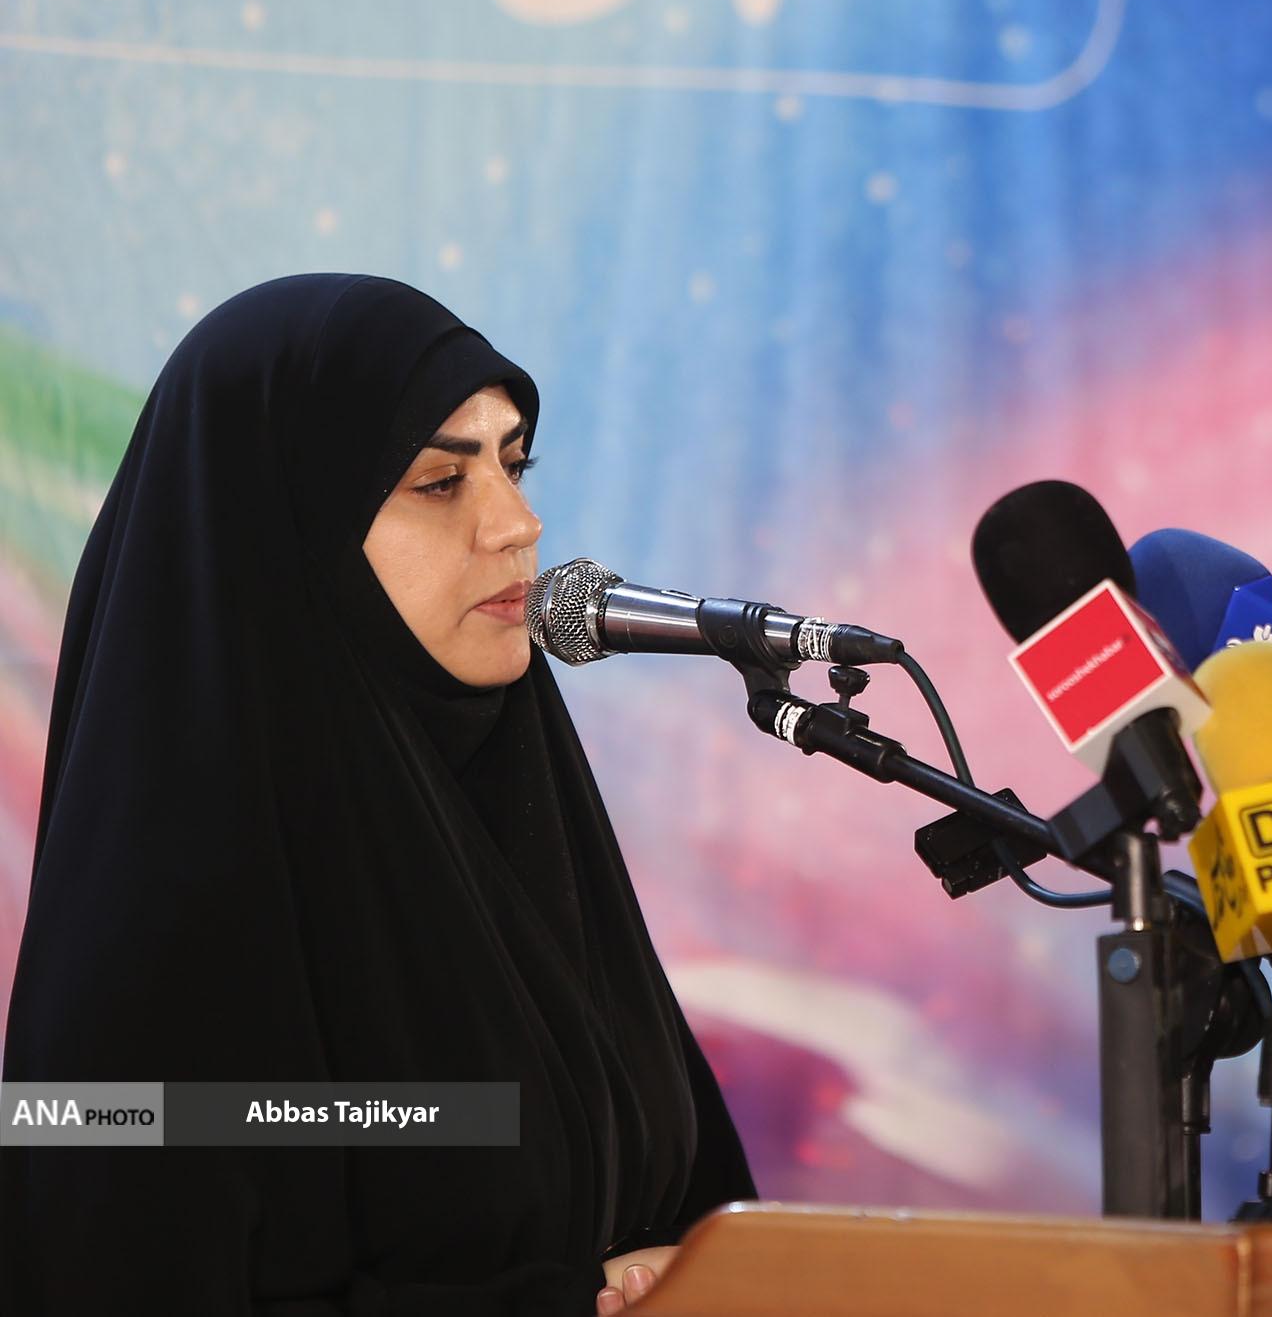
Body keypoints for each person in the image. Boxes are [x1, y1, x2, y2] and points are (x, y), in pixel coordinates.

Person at [1, 274, 755, 1315]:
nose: (518, 524)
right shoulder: (162, 903)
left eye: (513, 464)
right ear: (285, 530)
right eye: (440, 482)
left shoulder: (524, 805)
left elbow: (682, 1198)